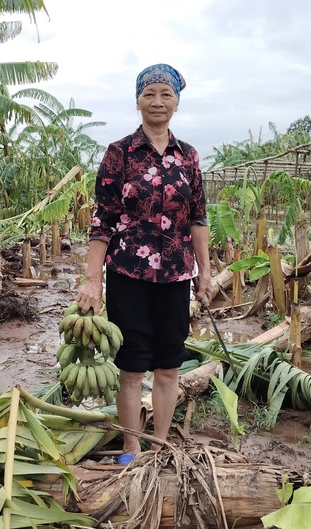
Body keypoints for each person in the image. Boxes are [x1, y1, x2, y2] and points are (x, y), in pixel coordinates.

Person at [75, 63, 213, 466]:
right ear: (138, 101)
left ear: (176, 102)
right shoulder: (118, 153)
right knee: (132, 367)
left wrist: (205, 274)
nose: (157, 102)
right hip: (127, 274)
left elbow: (198, 219)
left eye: (165, 94)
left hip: (175, 275)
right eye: (149, 93)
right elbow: (102, 221)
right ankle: (132, 448)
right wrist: (92, 281)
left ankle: (161, 446)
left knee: (168, 366)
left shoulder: (188, 156)